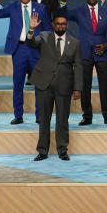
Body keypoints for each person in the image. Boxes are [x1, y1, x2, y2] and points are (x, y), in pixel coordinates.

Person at [25, 11, 82, 161]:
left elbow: (79, 67)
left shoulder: (74, 42)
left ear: (67, 25)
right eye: (58, 23)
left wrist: (77, 88)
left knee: (62, 120)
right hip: (44, 85)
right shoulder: (44, 37)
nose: (61, 26)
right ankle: (42, 151)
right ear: (53, 25)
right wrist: (31, 29)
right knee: (44, 120)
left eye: (63, 24)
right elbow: (30, 42)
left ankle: (62, 150)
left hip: (64, 86)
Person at [0, 0, 51, 124]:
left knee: (39, 85)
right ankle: (18, 115)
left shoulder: (41, 8)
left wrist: (42, 43)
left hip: (36, 49)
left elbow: (48, 29)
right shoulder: (13, 6)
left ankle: (39, 116)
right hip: (19, 49)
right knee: (18, 83)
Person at [58, 0, 107, 126]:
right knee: (85, 86)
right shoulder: (79, 11)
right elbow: (63, 15)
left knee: (105, 86)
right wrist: (63, 2)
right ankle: (87, 116)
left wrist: (106, 45)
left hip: (101, 53)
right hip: (84, 53)